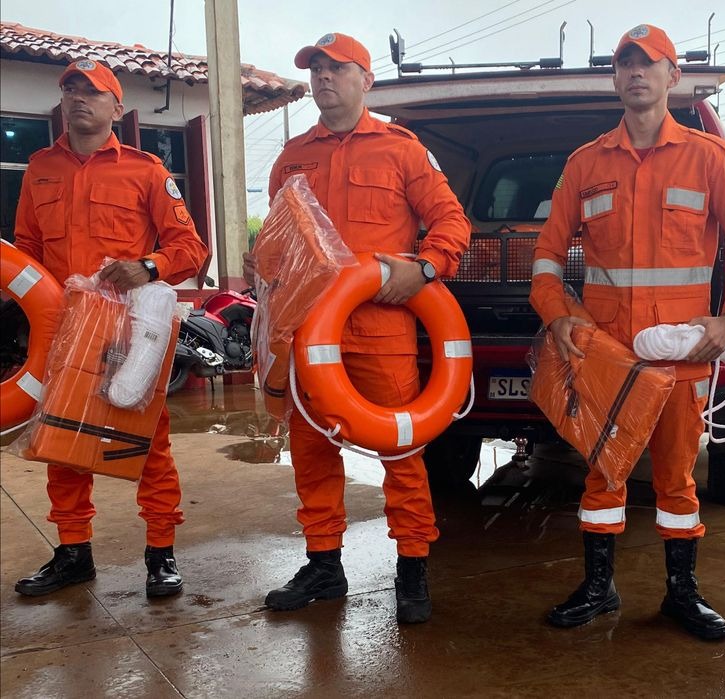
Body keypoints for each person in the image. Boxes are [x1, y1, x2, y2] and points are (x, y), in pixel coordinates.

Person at [530, 24, 725, 639]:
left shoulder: (707, 157)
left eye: (649, 63)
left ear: (673, 77)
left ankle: (681, 595)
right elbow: (548, 258)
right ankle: (598, 586)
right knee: (603, 475)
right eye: (625, 64)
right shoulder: (586, 163)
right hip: (607, 358)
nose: (636, 72)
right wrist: (558, 315)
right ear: (616, 79)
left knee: (677, 479)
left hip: (679, 358)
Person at [242, 33, 470, 624]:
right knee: (312, 452)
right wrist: (259, 261)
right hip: (306, 334)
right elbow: (279, 240)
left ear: (366, 80)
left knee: (401, 449)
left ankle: (413, 567)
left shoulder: (402, 151)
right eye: (316, 70)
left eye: (337, 69)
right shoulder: (293, 157)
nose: (323, 78)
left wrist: (425, 267)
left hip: (382, 332)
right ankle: (324, 565)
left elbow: (450, 222)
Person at [12, 60, 208, 598]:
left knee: (147, 442)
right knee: (62, 440)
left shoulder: (146, 171)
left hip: (128, 331)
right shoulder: (38, 169)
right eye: (71, 90)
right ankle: (74, 553)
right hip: (61, 327)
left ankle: (161, 555)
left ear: (116, 108)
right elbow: (26, 251)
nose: (80, 99)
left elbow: (191, 248)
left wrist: (147, 267)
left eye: (93, 92)